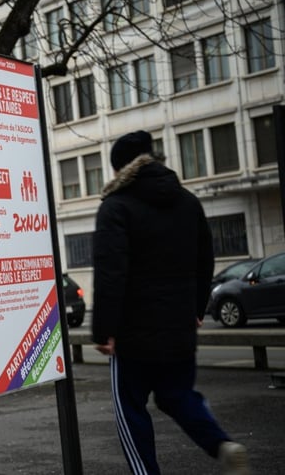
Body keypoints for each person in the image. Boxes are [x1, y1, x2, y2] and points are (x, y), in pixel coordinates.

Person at [91, 130, 249, 475]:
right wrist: (195, 309)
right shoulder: (188, 201)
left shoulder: (115, 207)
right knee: (177, 396)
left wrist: (104, 330)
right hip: (178, 327)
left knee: (131, 410)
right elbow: (204, 259)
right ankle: (222, 444)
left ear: (120, 169)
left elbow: (110, 273)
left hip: (132, 335)